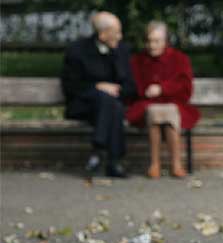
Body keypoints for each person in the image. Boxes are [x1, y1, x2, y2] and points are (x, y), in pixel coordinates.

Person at [61, 11, 137, 178]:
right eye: (116, 32)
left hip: (111, 107)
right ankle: (114, 162)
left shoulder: (121, 51)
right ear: (102, 34)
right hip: (84, 106)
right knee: (107, 100)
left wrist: (116, 89)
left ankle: (98, 149)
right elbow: (71, 86)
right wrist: (97, 87)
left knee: (112, 104)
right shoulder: (77, 51)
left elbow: (131, 86)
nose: (120, 36)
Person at [126, 21, 200, 178]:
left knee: (168, 113)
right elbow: (132, 86)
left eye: (156, 41)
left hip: (175, 104)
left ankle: (175, 164)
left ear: (166, 41)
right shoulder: (137, 60)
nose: (152, 45)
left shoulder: (180, 58)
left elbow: (185, 87)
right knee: (155, 113)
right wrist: (146, 90)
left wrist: (162, 89)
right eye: (148, 41)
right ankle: (155, 164)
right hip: (146, 105)